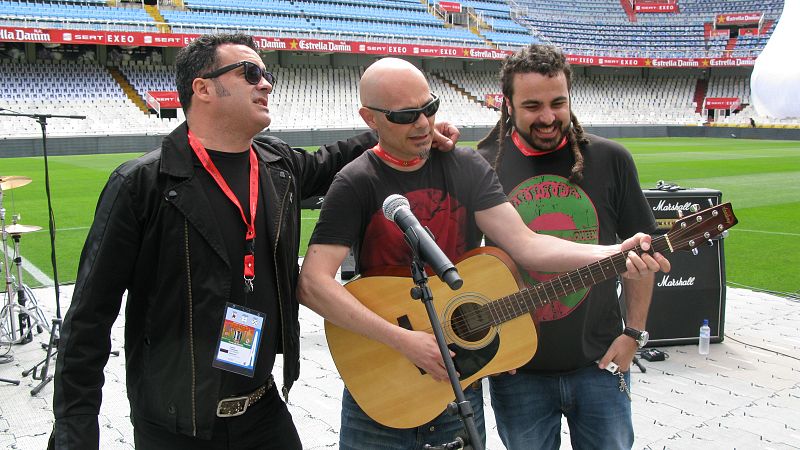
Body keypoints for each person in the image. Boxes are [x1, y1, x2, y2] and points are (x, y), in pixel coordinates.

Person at [49, 33, 458, 449]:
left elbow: (331, 159)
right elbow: (89, 318)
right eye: (251, 73)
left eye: (267, 74)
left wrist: (410, 126)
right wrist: (74, 429)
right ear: (203, 88)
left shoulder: (276, 165)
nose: (266, 83)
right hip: (175, 423)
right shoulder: (143, 185)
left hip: (262, 408)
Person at [296, 57, 669, 450]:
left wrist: (614, 252)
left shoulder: (465, 165)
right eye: (406, 116)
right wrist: (405, 342)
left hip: (459, 382)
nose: (423, 124)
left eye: (429, 108)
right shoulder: (355, 181)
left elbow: (527, 245)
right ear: (369, 118)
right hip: (381, 380)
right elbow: (313, 285)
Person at [477, 44, 661, 449]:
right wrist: (494, 348)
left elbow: (642, 257)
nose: (547, 117)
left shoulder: (611, 159)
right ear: (507, 104)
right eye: (532, 106)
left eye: (558, 102)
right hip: (517, 371)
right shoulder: (482, 164)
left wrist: (633, 334)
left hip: (599, 363)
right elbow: (463, 263)